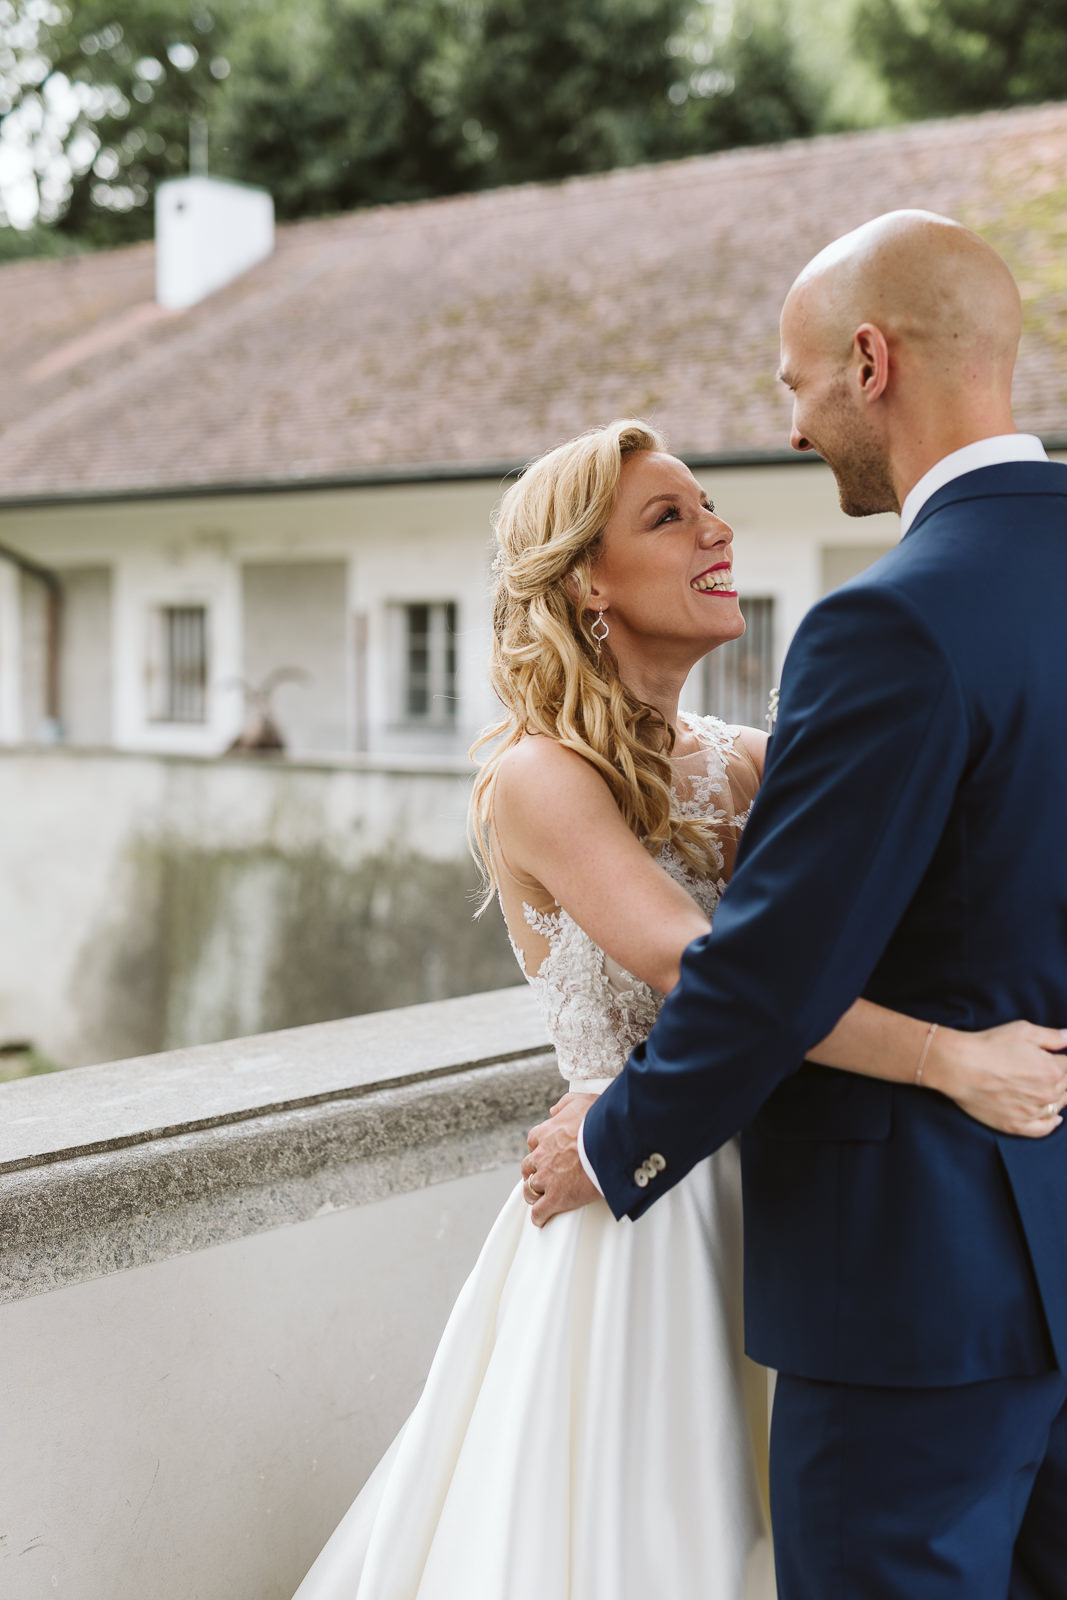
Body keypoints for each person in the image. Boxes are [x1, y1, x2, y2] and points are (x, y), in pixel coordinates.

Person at [292, 411, 1066, 1600]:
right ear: (585, 580)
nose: (717, 528)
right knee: (640, 1546)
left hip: (792, 1197)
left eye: (707, 503)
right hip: (636, 1204)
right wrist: (950, 1061)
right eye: (668, 515)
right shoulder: (537, 777)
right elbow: (719, 976)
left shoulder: (746, 761)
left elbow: (843, 935)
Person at [526, 214, 1067, 1598]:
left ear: (868, 361)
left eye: (792, 382)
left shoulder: (891, 621)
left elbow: (769, 961)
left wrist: (619, 1140)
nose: (790, 425)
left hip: (915, 1290)